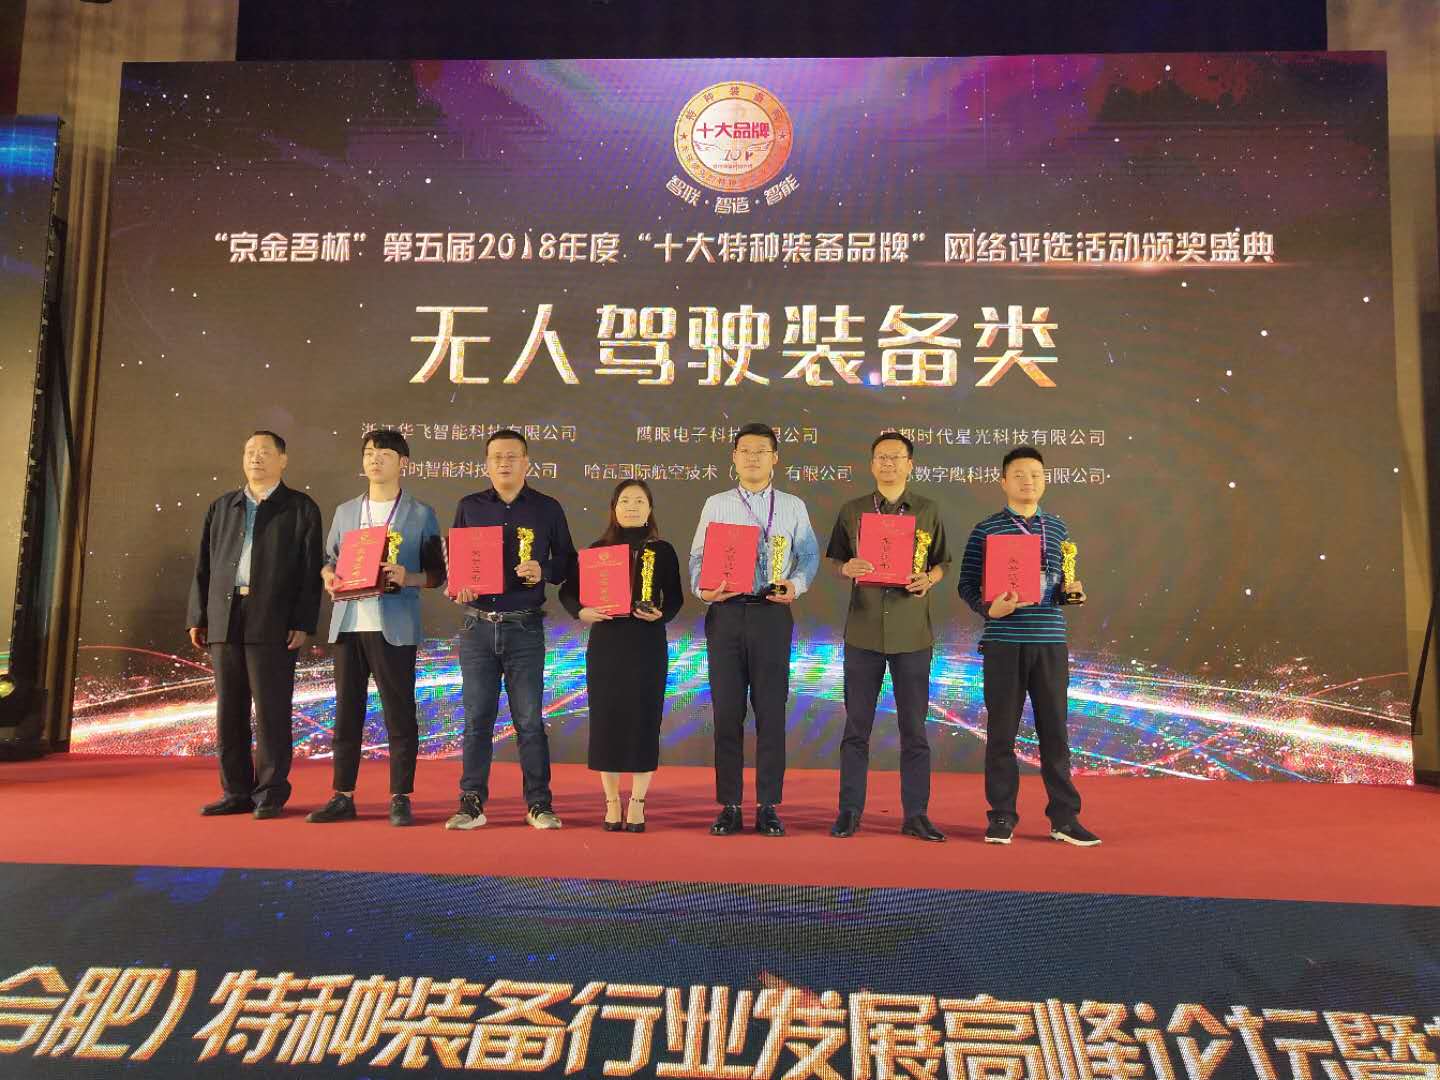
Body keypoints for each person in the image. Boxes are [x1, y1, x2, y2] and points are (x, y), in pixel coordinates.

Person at [956, 446, 1100, 846]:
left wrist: (1070, 593)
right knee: (1001, 734)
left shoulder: (1058, 528)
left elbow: (1059, 581)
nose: (1028, 482)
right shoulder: (986, 529)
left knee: (1055, 733)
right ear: (1003, 481)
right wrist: (989, 609)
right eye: (1019, 475)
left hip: (1049, 641)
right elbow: (966, 584)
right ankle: (1002, 816)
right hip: (1004, 642)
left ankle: (1064, 818)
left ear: (1045, 481)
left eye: (1035, 475)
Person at [307, 429, 445, 827]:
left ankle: (400, 796)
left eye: (384, 453)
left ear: (404, 463)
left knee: (398, 714)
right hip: (349, 623)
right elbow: (328, 560)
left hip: (395, 626)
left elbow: (437, 574)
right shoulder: (346, 511)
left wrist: (407, 576)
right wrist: (328, 576)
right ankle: (342, 795)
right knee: (347, 713)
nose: (374, 459)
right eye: (369, 452)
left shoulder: (420, 513)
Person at [689, 422, 819, 837]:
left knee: (771, 711)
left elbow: (809, 556)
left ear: (775, 457)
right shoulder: (716, 504)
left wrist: (795, 586)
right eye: (745, 450)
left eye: (761, 450)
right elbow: (697, 558)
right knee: (727, 713)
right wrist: (705, 589)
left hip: (771, 614)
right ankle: (729, 805)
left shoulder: (792, 506)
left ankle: (768, 806)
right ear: (733, 457)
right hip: (726, 614)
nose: (752, 457)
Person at [446, 428, 576, 831]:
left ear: (527, 463)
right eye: (497, 457)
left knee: (530, 721)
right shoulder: (469, 507)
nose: (504, 463)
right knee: (476, 720)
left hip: (525, 628)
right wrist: (458, 585)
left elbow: (568, 562)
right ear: (486, 464)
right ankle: (471, 802)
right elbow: (456, 565)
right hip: (478, 627)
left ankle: (539, 803)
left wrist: (544, 569)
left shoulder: (547, 508)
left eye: (512, 456)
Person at [188, 430, 323, 819]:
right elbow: (204, 565)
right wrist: (199, 616)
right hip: (224, 615)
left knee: (271, 710)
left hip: (273, 618)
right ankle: (235, 791)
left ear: (283, 460)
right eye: (250, 451)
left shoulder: (300, 507)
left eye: (265, 452)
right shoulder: (223, 506)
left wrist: (302, 620)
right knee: (229, 710)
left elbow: (310, 570)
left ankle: (270, 792)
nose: (256, 458)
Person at [826, 431, 951, 842]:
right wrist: (846, 569)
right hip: (863, 632)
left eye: (897, 457)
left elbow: (941, 563)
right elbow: (835, 559)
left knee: (914, 729)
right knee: (856, 728)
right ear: (871, 464)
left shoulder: (927, 510)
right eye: (882, 457)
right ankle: (849, 811)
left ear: (910, 464)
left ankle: (916, 814)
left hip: (912, 634)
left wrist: (929, 579)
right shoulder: (852, 510)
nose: (889, 463)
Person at [559, 480, 684, 832]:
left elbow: (675, 598)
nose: (632, 506)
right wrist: (582, 612)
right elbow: (568, 592)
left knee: (644, 720)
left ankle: (638, 803)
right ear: (614, 508)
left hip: (647, 644)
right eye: (625, 500)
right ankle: (612, 802)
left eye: (639, 501)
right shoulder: (598, 550)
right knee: (607, 721)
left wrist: (661, 614)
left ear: (650, 509)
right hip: (607, 645)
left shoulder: (663, 550)